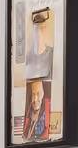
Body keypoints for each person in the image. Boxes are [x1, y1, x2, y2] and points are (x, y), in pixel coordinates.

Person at [22, 8, 55, 141]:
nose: (39, 33)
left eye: (42, 29)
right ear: (32, 32)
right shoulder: (27, 57)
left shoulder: (51, 54)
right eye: (36, 29)